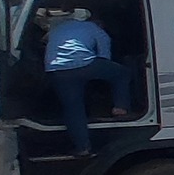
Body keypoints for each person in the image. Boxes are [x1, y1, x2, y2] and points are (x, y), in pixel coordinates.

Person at [43, 9, 132, 155]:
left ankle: (83, 148)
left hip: (56, 69)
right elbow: (104, 46)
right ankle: (120, 107)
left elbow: (46, 43)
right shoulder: (92, 27)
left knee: (73, 108)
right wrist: (104, 63)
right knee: (122, 73)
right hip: (85, 63)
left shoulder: (56, 29)